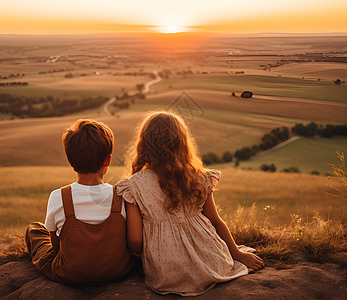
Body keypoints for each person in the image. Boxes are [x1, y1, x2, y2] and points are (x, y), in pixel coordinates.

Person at [116, 111, 264, 296]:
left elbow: (136, 241)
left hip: (166, 273)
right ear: (182, 143)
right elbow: (216, 222)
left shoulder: (134, 186)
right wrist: (238, 254)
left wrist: (144, 255)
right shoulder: (198, 177)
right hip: (211, 260)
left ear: (144, 145)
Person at [25, 119, 134, 286]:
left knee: (34, 229)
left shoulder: (58, 197)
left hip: (70, 274)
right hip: (118, 271)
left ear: (70, 161)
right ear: (108, 160)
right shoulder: (121, 195)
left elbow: (55, 247)